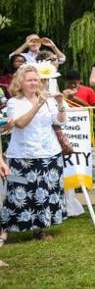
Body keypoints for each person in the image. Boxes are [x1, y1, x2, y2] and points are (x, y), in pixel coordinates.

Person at [0, 64, 67, 245]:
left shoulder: (48, 100)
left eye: (36, 79)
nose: (34, 83)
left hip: (49, 153)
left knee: (44, 193)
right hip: (23, 155)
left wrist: (60, 103)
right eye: (29, 80)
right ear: (20, 83)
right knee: (16, 194)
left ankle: (39, 230)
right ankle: (4, 233)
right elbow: (20, 124)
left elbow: (60, 121)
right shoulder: (15, 102)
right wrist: (38, 105)